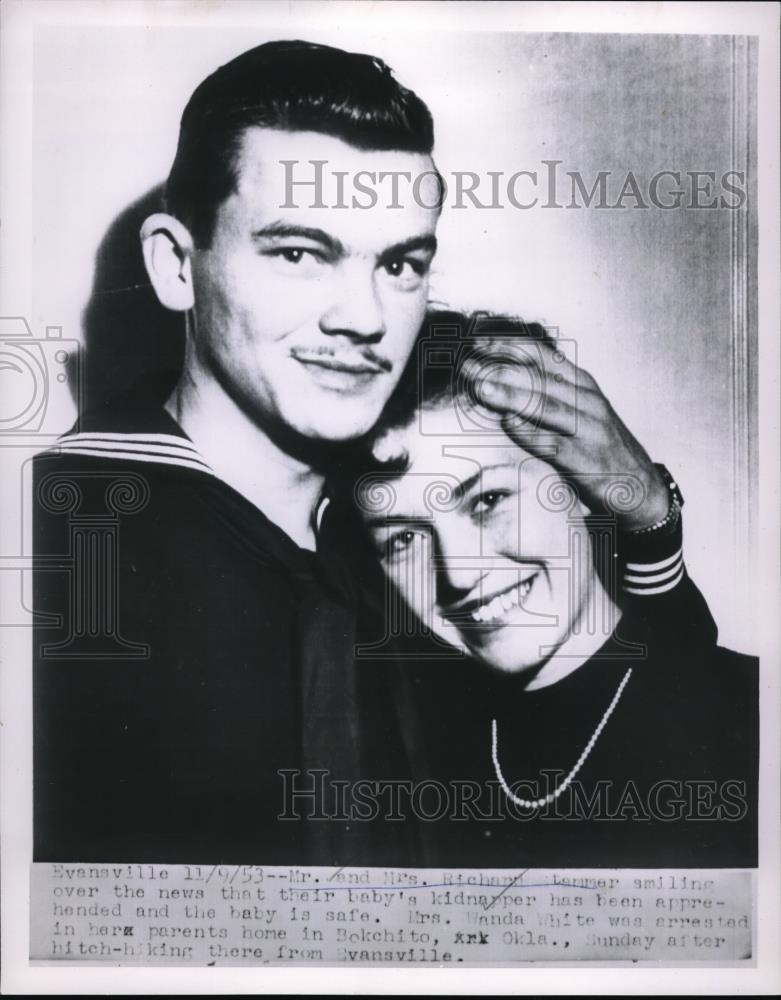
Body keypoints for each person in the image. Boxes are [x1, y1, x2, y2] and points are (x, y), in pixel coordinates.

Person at [33, 41, 716, 866]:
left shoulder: (377, 543)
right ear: (177, 265)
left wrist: (645, 518)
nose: (362, 317)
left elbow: (642, 704)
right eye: (298, 253)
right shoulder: (59, 547)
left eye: (398, 263)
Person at [348, 311, 758, 867]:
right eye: (402, 540)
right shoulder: (404, 763)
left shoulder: (753, 721)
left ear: (580, 481)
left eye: (488, 499)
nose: (459, 574)